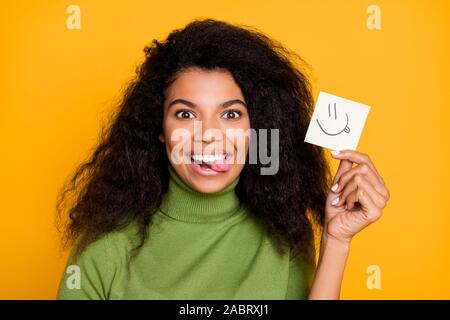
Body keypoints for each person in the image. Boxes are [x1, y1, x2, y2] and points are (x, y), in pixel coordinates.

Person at [55, 18, 390, 300]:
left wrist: (337, 240)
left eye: (230, 115)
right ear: (159, 128)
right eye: (185, 114)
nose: (209, 134)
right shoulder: (104, 248)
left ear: (256, 129)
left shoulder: (284, 234)